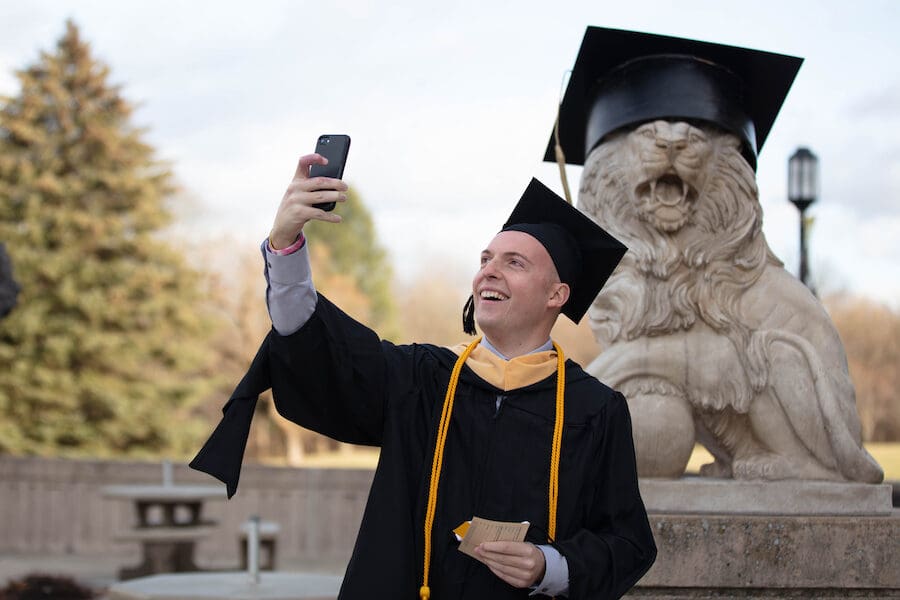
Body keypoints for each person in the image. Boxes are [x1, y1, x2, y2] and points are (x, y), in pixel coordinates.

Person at [191, 156, 656, 599]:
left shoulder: (593, 409)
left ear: (558, 294)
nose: (488, 271)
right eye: (485, 258)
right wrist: (285, 245)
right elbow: (319, 348)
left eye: (514, 262)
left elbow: (627, 542)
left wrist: (549, 566)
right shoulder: (422, 380)